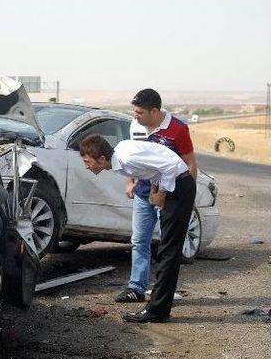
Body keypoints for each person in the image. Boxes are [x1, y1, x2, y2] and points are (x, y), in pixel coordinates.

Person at [79, 134, 195, 323]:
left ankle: (157, 311)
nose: (86, 166)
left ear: (101, 159)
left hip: (179, 187)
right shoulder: (122, 154)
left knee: (168, 251)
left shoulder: (127, 158)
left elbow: (171, 165)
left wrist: (162, 193)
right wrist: (154, 189)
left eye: (87, 161)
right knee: (167, 251)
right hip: (174, 185)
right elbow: (155, 167)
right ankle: (159, 308)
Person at [116, 88, 197, 303]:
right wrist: (130, 181)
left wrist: (187, 198)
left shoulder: (177, 129)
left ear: (154, 111)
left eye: (139, 112)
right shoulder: (136, 126)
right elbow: (135, 157)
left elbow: (189, 163)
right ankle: (136, 287)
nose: (135, 116)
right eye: (134, 112)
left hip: (169, 196)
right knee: (139, 241)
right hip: (144, 194)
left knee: (167, 246)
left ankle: (162, 292)